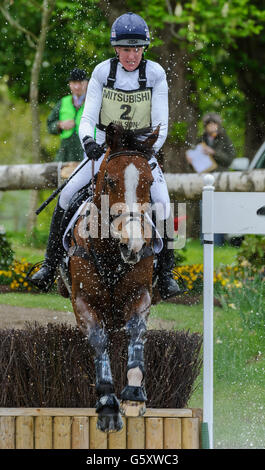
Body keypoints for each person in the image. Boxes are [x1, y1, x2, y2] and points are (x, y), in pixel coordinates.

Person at [30, 12, 181, 299]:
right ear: (116, 49)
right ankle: (49, 265)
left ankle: (166, 274)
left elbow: (161, 127)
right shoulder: (102, 72)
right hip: (105, 148)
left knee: (163, 201)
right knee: (66, 195)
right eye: (126, 49)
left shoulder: (156, 74)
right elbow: (87, 118)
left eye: (137, 48)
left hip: (141, 151)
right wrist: (88, 141)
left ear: (144, 49)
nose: (131, 55)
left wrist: (142, 149)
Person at [47, 68, 88, 162]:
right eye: (74, 83)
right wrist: (60, 125)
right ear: (69, 84)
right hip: (64, 156)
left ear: (86, 83)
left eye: (80, 82)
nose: (77, 86)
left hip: (86, 155)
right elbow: (49, 125)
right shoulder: (62, 102)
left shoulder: (93, 103)